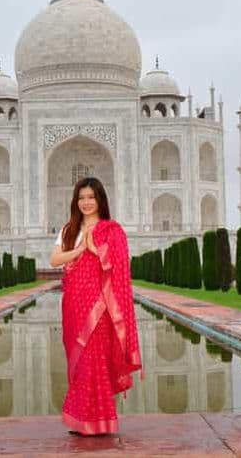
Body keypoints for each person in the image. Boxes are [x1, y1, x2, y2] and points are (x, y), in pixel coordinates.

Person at [49, 177, 142, 436]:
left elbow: (120, 265)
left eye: (91, 197)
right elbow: (55, 259)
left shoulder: (111, 230)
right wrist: (81, 249)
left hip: (101, 306)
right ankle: (80, 418)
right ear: (75, 201)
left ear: (100, 199)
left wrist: (97, 250)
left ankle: (98, 420)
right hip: (74, 303)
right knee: (78, 362)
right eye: (81, 198)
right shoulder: (69, 229)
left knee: (94, 360)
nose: (86, 203)